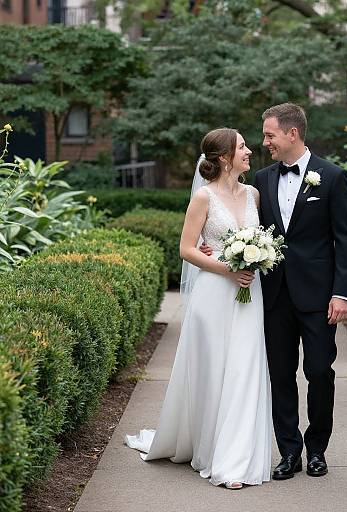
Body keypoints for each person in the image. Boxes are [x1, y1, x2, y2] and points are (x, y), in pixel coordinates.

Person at [125, 128, 272, 490]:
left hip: (250, 295)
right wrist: (227, 267)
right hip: (214, 295)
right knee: (214, 371)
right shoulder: (203, 198)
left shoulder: (253, 194)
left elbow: (262, 239)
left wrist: (256, 260)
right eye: (242, 147)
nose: (249, 150)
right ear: (224, 157)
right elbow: (187, 249)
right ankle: (209, 448)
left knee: (246, 368)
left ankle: (236, 457)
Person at [255, 103, 347, 480]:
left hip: (318, 298)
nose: (265, 142)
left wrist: (341, 294)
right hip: (274, 295)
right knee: (280, 375)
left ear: (292, 133)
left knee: (319, 372)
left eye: (270, 135)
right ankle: (289, 451)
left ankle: (317, 450)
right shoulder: (262, 181)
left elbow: (345, 240)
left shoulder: (332, 176)